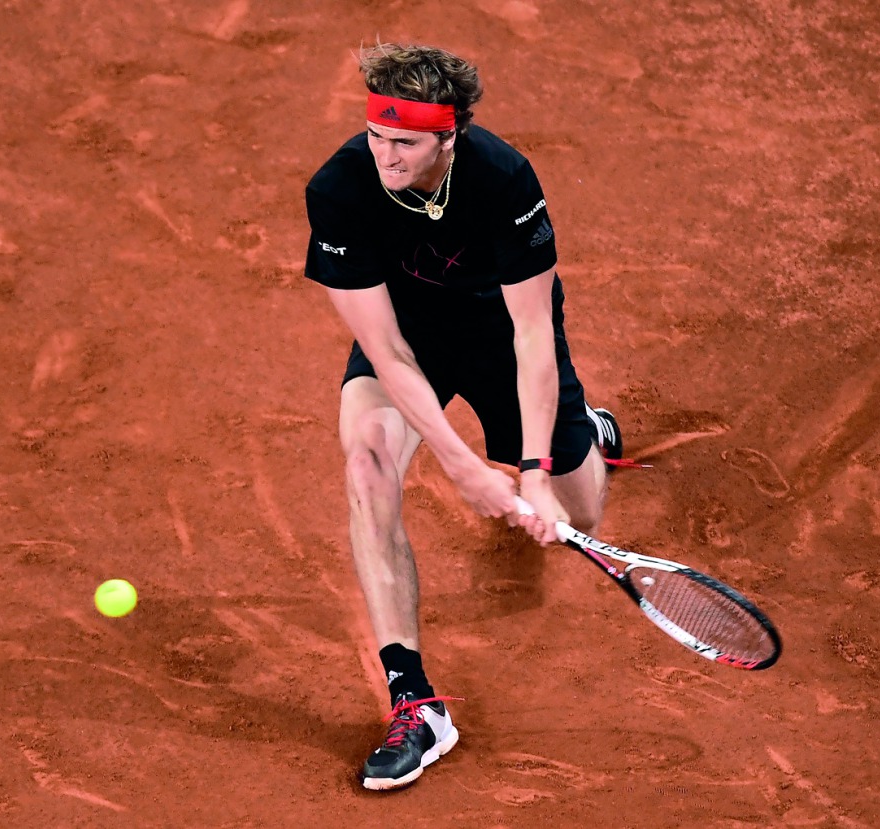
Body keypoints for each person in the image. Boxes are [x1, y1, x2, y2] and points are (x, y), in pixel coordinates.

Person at [302, 42, 626, 791]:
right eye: (376, 135)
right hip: (409, 337)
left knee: (579, 516)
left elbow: (533, 332)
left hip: (501, 333)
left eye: (405, 143)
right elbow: (386, 350)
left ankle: (586, 433)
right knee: (367, 463)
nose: (385, 155)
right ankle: (415, 701)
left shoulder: (504, 178)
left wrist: (533, 472)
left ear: (449, 137)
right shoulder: (340, 188)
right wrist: (462, 465)